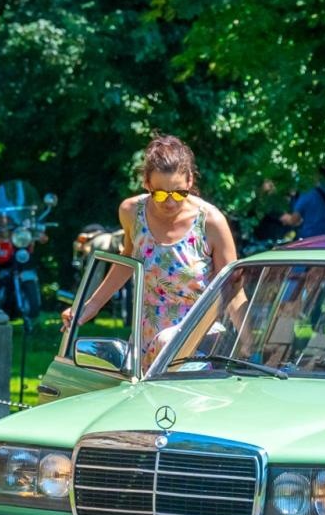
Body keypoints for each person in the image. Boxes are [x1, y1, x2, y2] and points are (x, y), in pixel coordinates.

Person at [65, 134, 238, 366]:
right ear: (147, 184)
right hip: (148, 328)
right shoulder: (132, 212)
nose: (170, 202)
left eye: (179, 193)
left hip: (200, 332)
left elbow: (232, 286)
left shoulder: (210, 221)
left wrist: (249, 341)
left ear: (189, 182)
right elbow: (128, 261)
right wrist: (90, 307)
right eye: (160, 193)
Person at [284, 164, 325, 240]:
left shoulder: (307, 194)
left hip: (311, 242)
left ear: (318, 175)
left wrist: (284, 217)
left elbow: (294, 220)